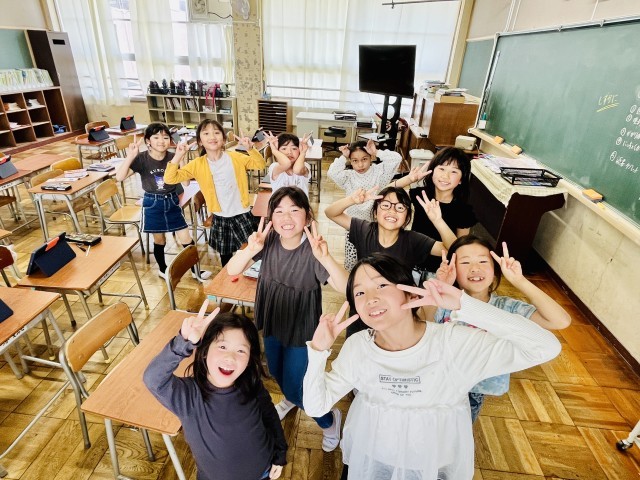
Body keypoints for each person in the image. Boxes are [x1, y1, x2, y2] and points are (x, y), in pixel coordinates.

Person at [302, 253, 562, 479]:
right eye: (359, 292)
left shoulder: (453, 343)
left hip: (432, 466)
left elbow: (546, 346)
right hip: (373, 458)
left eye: (381, 285)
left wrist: (465, 305)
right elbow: (316, 406)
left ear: (409, 291)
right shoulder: (358, 347)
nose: (371, 298)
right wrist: (317, 352)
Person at [226, 186, 349, 452]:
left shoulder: (313, 251)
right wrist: (250, 249)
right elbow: (233, 270)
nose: (286, 218)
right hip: (273, 319)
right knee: (276, 371)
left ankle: (329, 420)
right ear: (271, 217)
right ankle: (291, 398)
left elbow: (345, 287)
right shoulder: (268, 240)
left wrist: (326, 257)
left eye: (294, 210)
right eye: (279, 211)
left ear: (308, 216)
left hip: (301, 329)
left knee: (297, 387)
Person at [432, 235, 571, 421]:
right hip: (438, 382)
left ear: (495, 269)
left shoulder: (507, 308)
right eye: (465, 262)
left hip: (474, 391)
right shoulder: (445, 301)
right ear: (453, 268)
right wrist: (440, 287)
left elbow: (560, 321)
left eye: (483, 261)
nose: (475, 268)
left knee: (457, 433)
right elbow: (422, 325)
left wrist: (520, 281)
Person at [143, 301, 287, 480]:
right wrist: (184, 342)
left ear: (250, 358)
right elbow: (153, 378)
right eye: (222, 347)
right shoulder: (189, 396)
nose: (230, 358)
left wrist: (280, 451)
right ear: (205, 351)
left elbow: (269, 415)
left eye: (241, 351)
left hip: (264, 473)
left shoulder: (251, 383)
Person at [325, 185, 456, 335]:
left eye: (400, 207)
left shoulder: (413, 240)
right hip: (364, 309)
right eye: (386, 205)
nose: (392, 211)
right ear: (375, 212)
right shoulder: (363, 229)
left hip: (396, 311)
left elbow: (454, 249)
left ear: (407, 218)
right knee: (358, 344)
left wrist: (438, 220)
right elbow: (331, 213)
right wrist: (352, 200)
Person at [163, 119, 266, 266]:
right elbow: (170, 178)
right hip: (220, 216)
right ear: (200, 141)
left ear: (223, 139)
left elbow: (260, 165)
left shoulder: (235, 157)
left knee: (252, 252)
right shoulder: (197, 164)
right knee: (226, 256)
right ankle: (229, 277)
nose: (212, 137)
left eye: (216, 133)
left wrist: (250, 149)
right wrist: (178, 156)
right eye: (206, 133)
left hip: (242, 213)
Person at [116, 122, 210, 280]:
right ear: (148, 141)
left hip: (172, 201)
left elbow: (186, 183)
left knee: (186, 238)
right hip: (152, 203)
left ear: (170, 140)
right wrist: (130, 156)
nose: (161, 141)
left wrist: (181, 157)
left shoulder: (172, 157)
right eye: (156, 137)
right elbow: (119, 177)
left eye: (165, 137)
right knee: (159, 240)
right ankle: (162, 269)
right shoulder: (141, 159)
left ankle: (195, 271)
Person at [327, 140, 429, 270]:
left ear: (371, 157)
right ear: (350, 161)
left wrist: (376, 151)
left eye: (364, 159)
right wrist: (343, 156)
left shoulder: (379, 172)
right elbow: (332, 173)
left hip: (376, 227)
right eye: (355, 161)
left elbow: (396, 159)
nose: (360, 164)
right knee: (353, 263)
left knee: (372, 260)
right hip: (353, 226)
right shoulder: (348, 176)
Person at [409, 147, 476, 276]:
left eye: (454, 171)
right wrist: (409, 179)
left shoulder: (463, 210)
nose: (445, 176)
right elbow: (383, 195)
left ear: (461, 179)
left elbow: (460, 250)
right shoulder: (420, 195)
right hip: (412, 263)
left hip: (441, 271)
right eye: (442, 169)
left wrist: (438, 221)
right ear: (432, 171)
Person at [265, 132, 312, 196]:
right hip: (279, 202)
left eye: (294, 148)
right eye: (284, 148)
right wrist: (274, 150)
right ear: (278, 151)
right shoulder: (274, 167)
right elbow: (286, 163)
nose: (289, 152)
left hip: (300, 202)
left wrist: (303, 152)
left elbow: (297, 170)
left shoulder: (305, 166)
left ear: (299, 150)